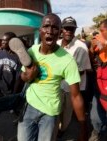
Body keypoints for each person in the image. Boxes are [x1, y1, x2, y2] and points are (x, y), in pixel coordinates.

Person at [16, 13, 87, 141]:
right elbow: (22, 76)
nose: (50, 31)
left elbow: (76, 95)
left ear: (59, 32)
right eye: (46, 26)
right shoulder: (32, 51)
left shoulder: (67, 60)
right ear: (40, 30)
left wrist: (83, 127)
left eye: (54, 28)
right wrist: (28, 76)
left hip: (50, 113)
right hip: (29, 107)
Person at [56, 16, 91, 135]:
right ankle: (55, 128)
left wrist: (60, 75)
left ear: (75, 30)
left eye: (71, 29)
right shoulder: (56, 44)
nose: (68, 31)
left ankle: (63, 129)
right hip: (56, 85)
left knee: (66, 112)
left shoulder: (81, 47)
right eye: (66, 28)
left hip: (70, 88)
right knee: (55, 110)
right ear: (61, 29)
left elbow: (80, 71)